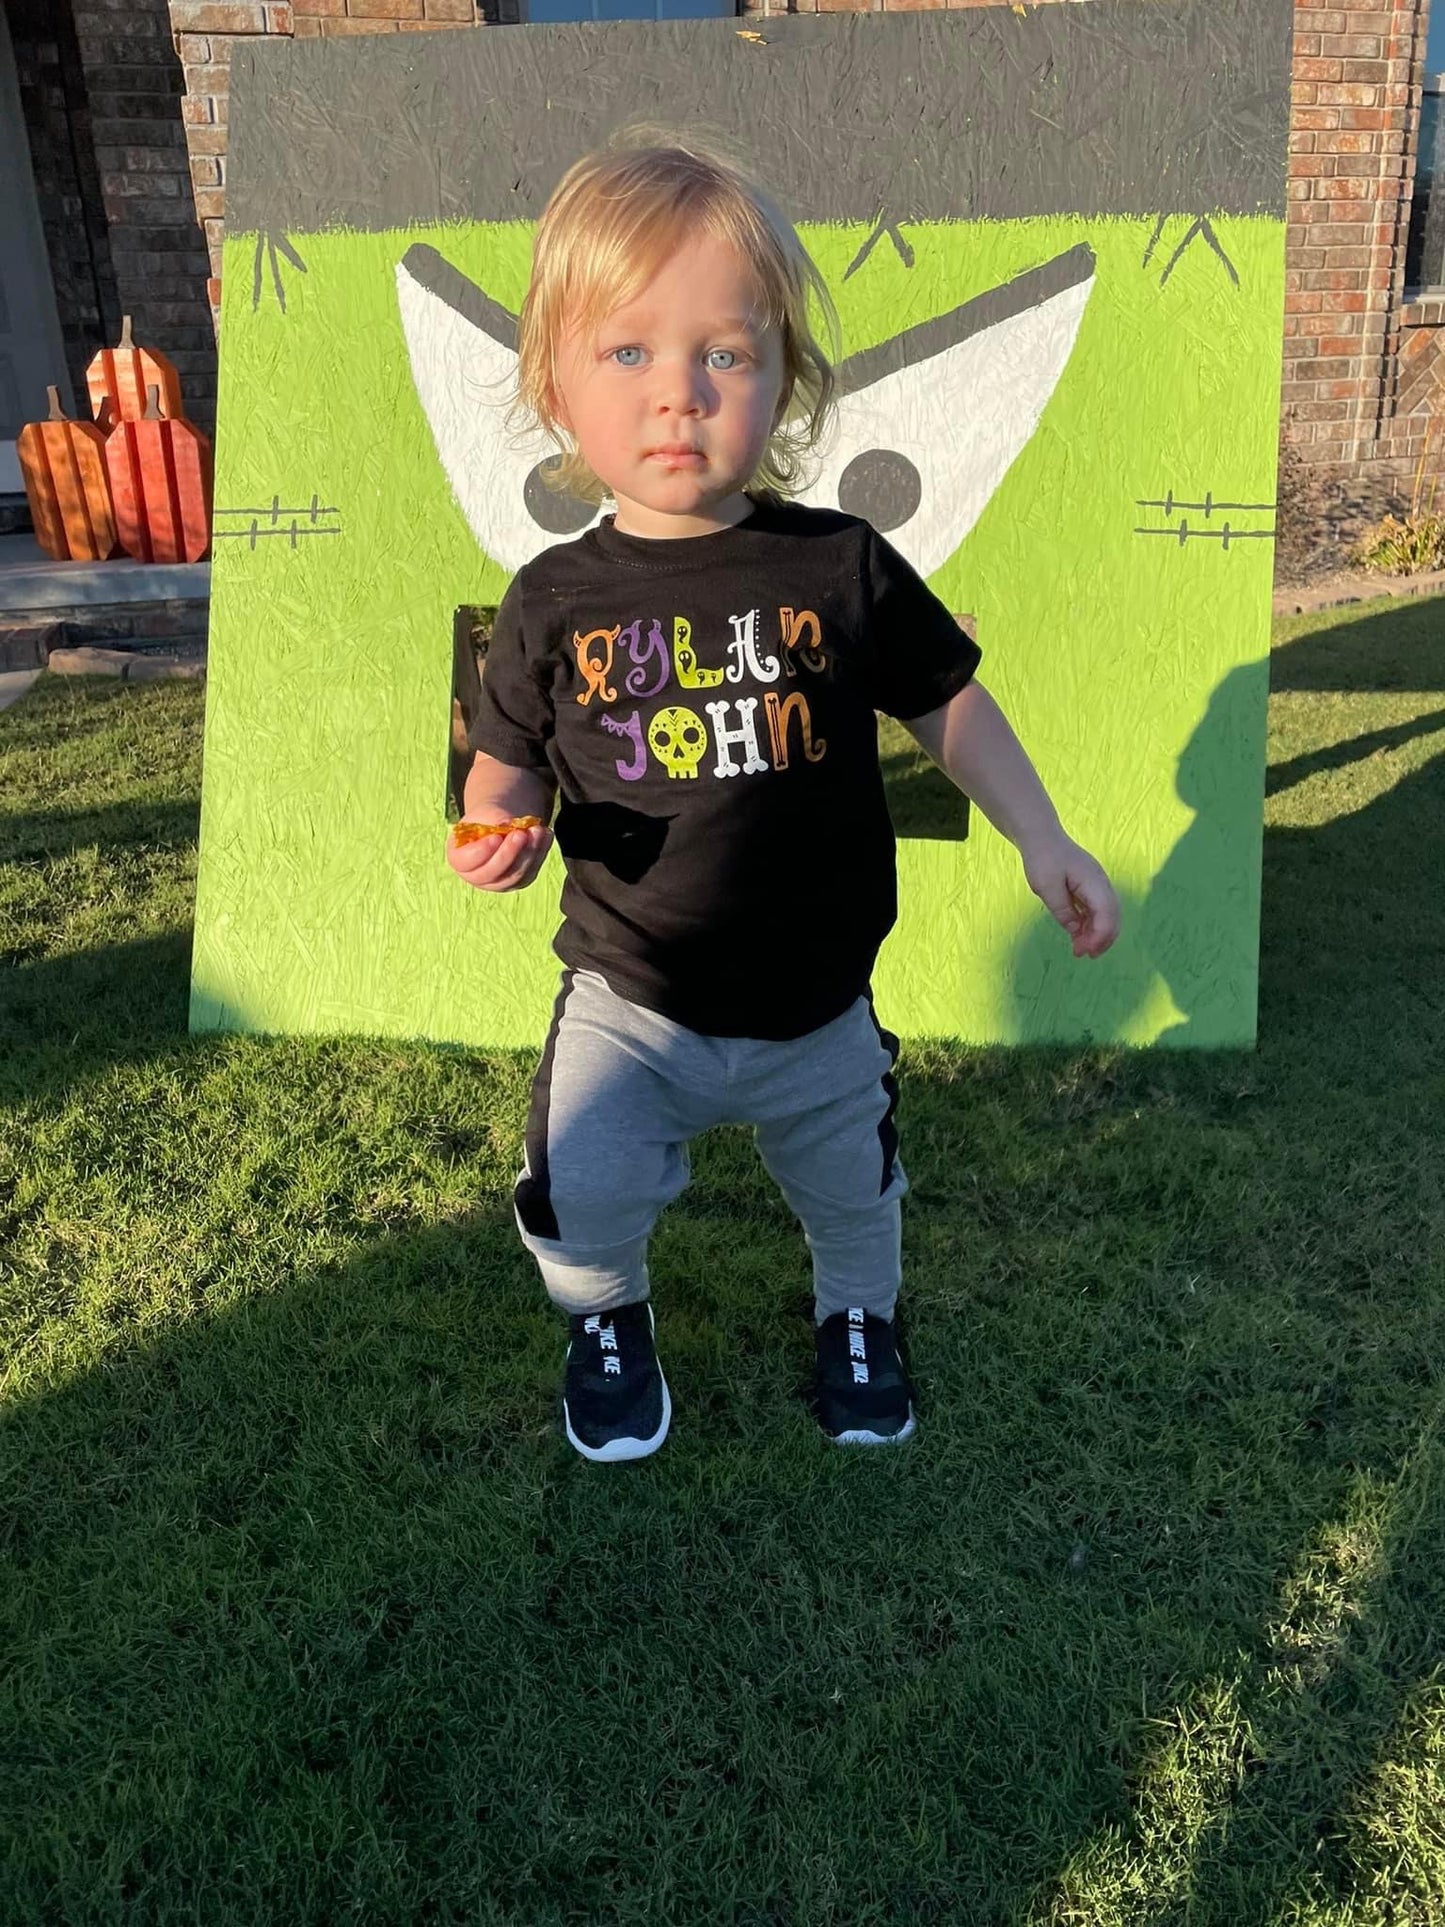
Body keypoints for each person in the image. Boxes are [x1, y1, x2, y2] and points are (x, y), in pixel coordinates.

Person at [447, 133, 1120, 1463]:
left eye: (725, 354)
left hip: (816, 1002)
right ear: (556, 387)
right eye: (628, 352)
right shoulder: (551, 602)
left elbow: (949, 703)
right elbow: (504, 756)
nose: (677, 395)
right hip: (629, 1000)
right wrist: (493, 827)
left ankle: (856, 1324)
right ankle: (607, 1322)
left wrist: (1040, 834)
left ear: (782, 382)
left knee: (855, 1197)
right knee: (577, 1193)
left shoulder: (839, 565)